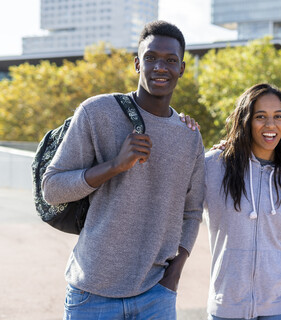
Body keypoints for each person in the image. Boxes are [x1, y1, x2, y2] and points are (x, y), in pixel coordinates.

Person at [42, 20, 205, 319]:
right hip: (92, 293)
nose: (160, 67)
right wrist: (115, 166)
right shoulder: (97, 112)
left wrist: (173, 279)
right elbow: (52, 188)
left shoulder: (189, 134)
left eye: (170, 61)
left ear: (181, 69)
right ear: (136, 64)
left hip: (157, 295)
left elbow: (192, 212)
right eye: (151, 58)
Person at [204, 83, 281, 320]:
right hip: (228, 304)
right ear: (245, 120)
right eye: (261, 117)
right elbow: (175, 210)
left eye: (278, 117)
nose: (271, 125)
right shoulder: (214, 166)